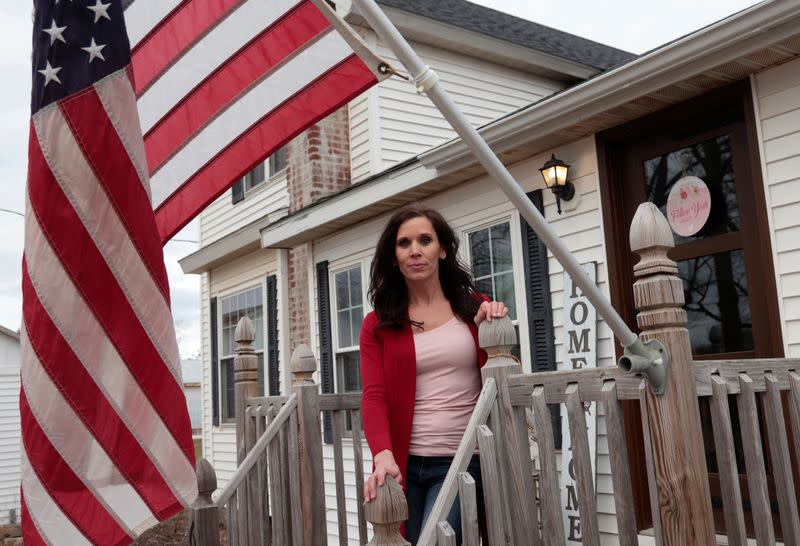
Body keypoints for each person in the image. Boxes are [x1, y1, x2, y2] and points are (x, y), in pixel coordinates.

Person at [360, 203, 507, 544]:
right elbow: (374, 394)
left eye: (424, 240)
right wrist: (382, 453)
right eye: (404, 243)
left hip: (462, 460)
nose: (415, 251)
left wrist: (493, 321)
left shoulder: (475, 308)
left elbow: (500, 374)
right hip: (403, 466)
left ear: (442, 249)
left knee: (436, 540)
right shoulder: (378, 324)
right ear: (393, 257)